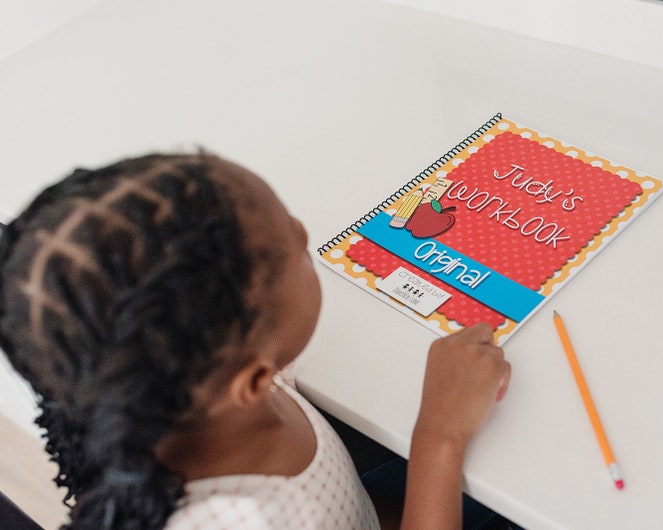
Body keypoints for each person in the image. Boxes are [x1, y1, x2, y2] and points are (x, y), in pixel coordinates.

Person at [0, 152, 511, 530]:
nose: (305, 230)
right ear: (253, 378)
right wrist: (438, 436)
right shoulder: (251, 519)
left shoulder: (172, 384)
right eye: (296, 246)